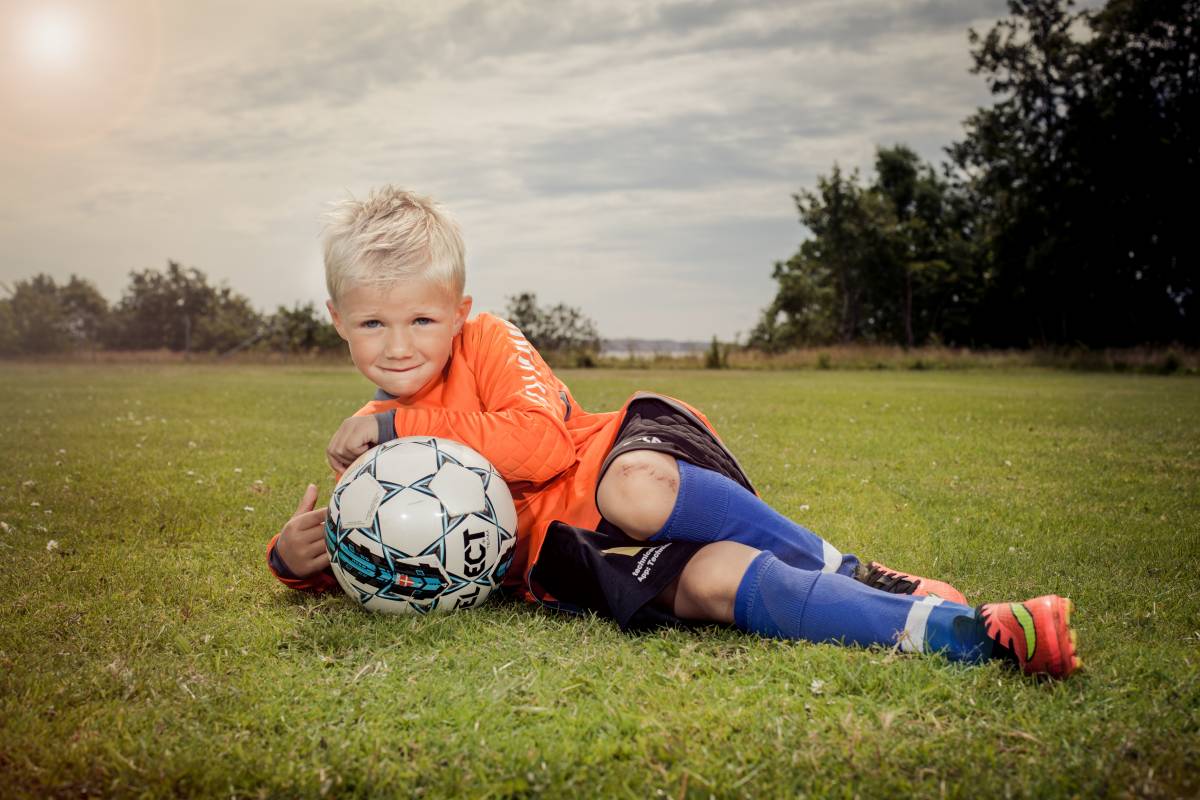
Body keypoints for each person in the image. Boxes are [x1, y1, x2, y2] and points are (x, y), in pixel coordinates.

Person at [266, 186, 1081, 679]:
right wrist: (300, 561)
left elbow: (541, 445)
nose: (398, 345)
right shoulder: (374, 447)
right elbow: (398, 557)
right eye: (372, 323)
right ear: (337, 320)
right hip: (568, 553)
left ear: (460, 310)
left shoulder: (485, 342)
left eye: (421, 319)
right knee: (715, 586)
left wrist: (398, 420)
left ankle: (848, 568)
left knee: (635, 492)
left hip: (625, 458)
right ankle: (973, 636)